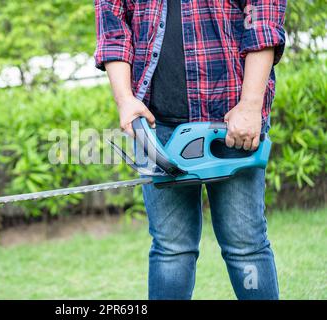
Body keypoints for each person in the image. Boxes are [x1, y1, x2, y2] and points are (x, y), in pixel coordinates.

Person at [94, 0, 287, 299]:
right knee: (171, 249)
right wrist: (125, 100)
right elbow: (113, 26)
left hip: (230, 122)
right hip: (156, 126)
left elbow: (263, 19)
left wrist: (250, 106)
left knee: (245, 246)